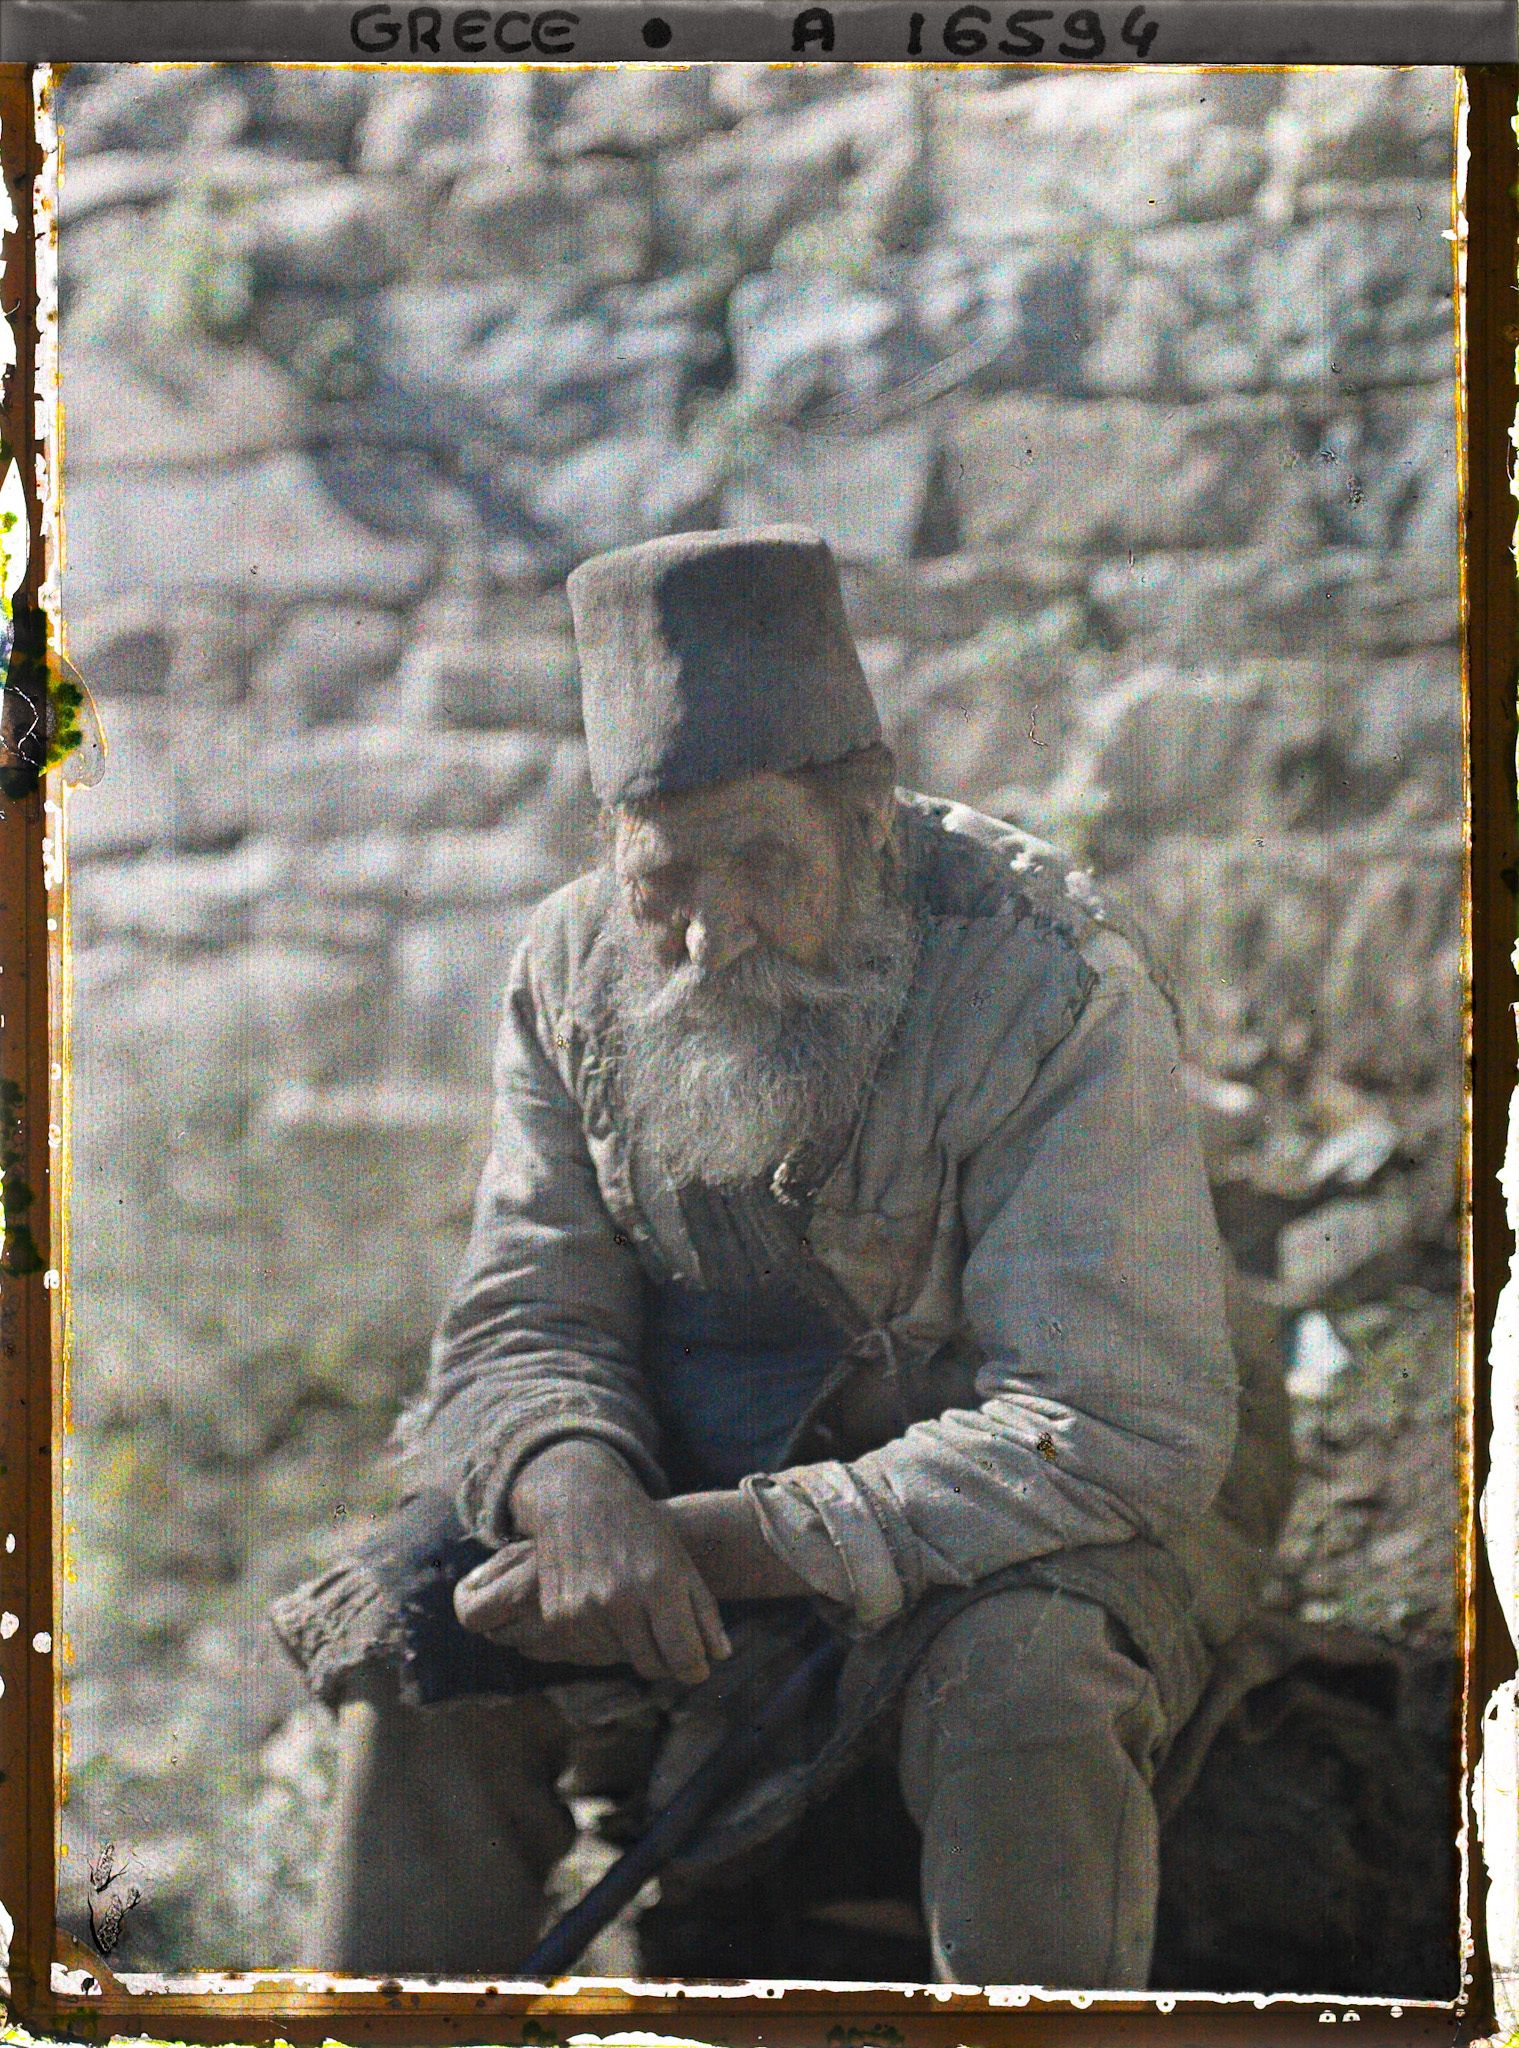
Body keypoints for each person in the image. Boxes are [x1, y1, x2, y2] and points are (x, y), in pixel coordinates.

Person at [272, 525, 1289, 1989]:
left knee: (1033, 1696)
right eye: (662, 879)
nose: (709, 936)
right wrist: (574, 1488)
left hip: (1041, 1498)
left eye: (761, 860)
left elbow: (1112, 1423)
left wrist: (707, 1542)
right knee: (428, 1650)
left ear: (868, 821)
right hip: (695, 1483)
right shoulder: (569, 971)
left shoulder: (1049, 978)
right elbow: (519, 1317)